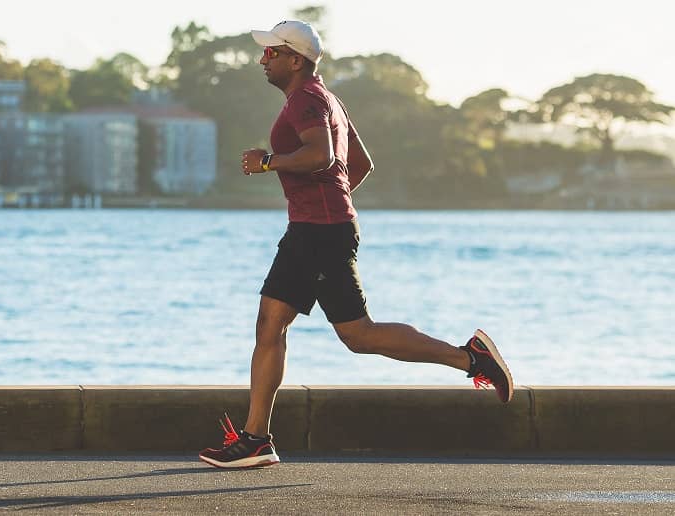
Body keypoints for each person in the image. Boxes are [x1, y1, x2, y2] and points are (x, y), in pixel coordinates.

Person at [199, 20, 513, 469]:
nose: (262, 59)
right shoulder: (328, 99)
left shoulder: (307, 99)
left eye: (271, 52)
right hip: (318, 228)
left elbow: (324, 156)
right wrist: (331, 202)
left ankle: (470, 358)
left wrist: (270, 162)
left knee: (355, 334)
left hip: (318, 233)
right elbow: (359, 164)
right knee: (277, 324)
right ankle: (256, 439)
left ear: (295, 59)